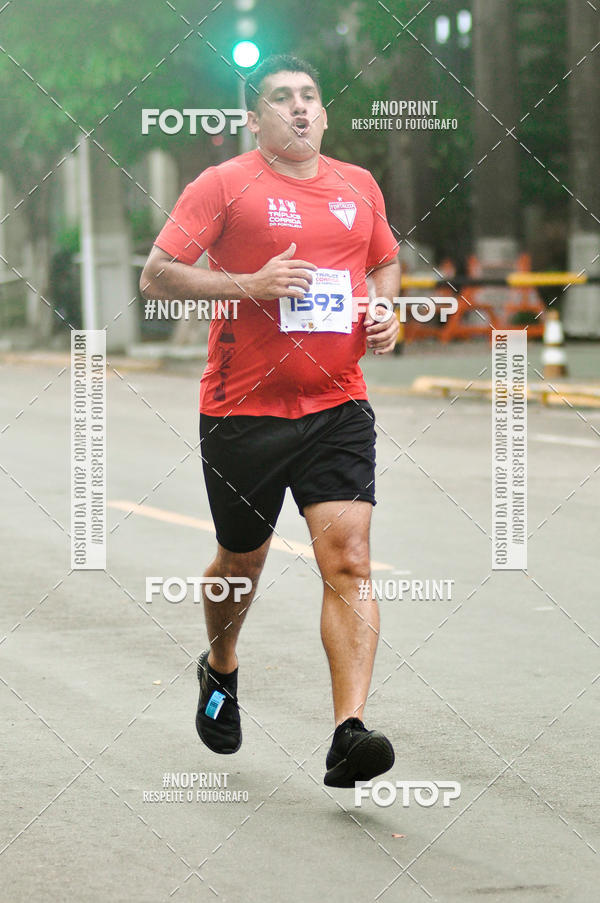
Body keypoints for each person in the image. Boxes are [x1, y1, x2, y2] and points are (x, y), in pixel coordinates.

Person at [140, 54, 400, 787]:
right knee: (241, 561)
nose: (298, 108)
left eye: (309, 96)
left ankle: (349, 731)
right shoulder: (224, 184)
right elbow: (157, 272)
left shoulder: (359, 186)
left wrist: (384, 308)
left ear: (324, 113)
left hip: (338, 403)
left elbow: (383, 259)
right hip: (241, 409)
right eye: (281, 98)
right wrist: (248, 284)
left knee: (348, 557)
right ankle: (220, 666)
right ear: (255, 119)